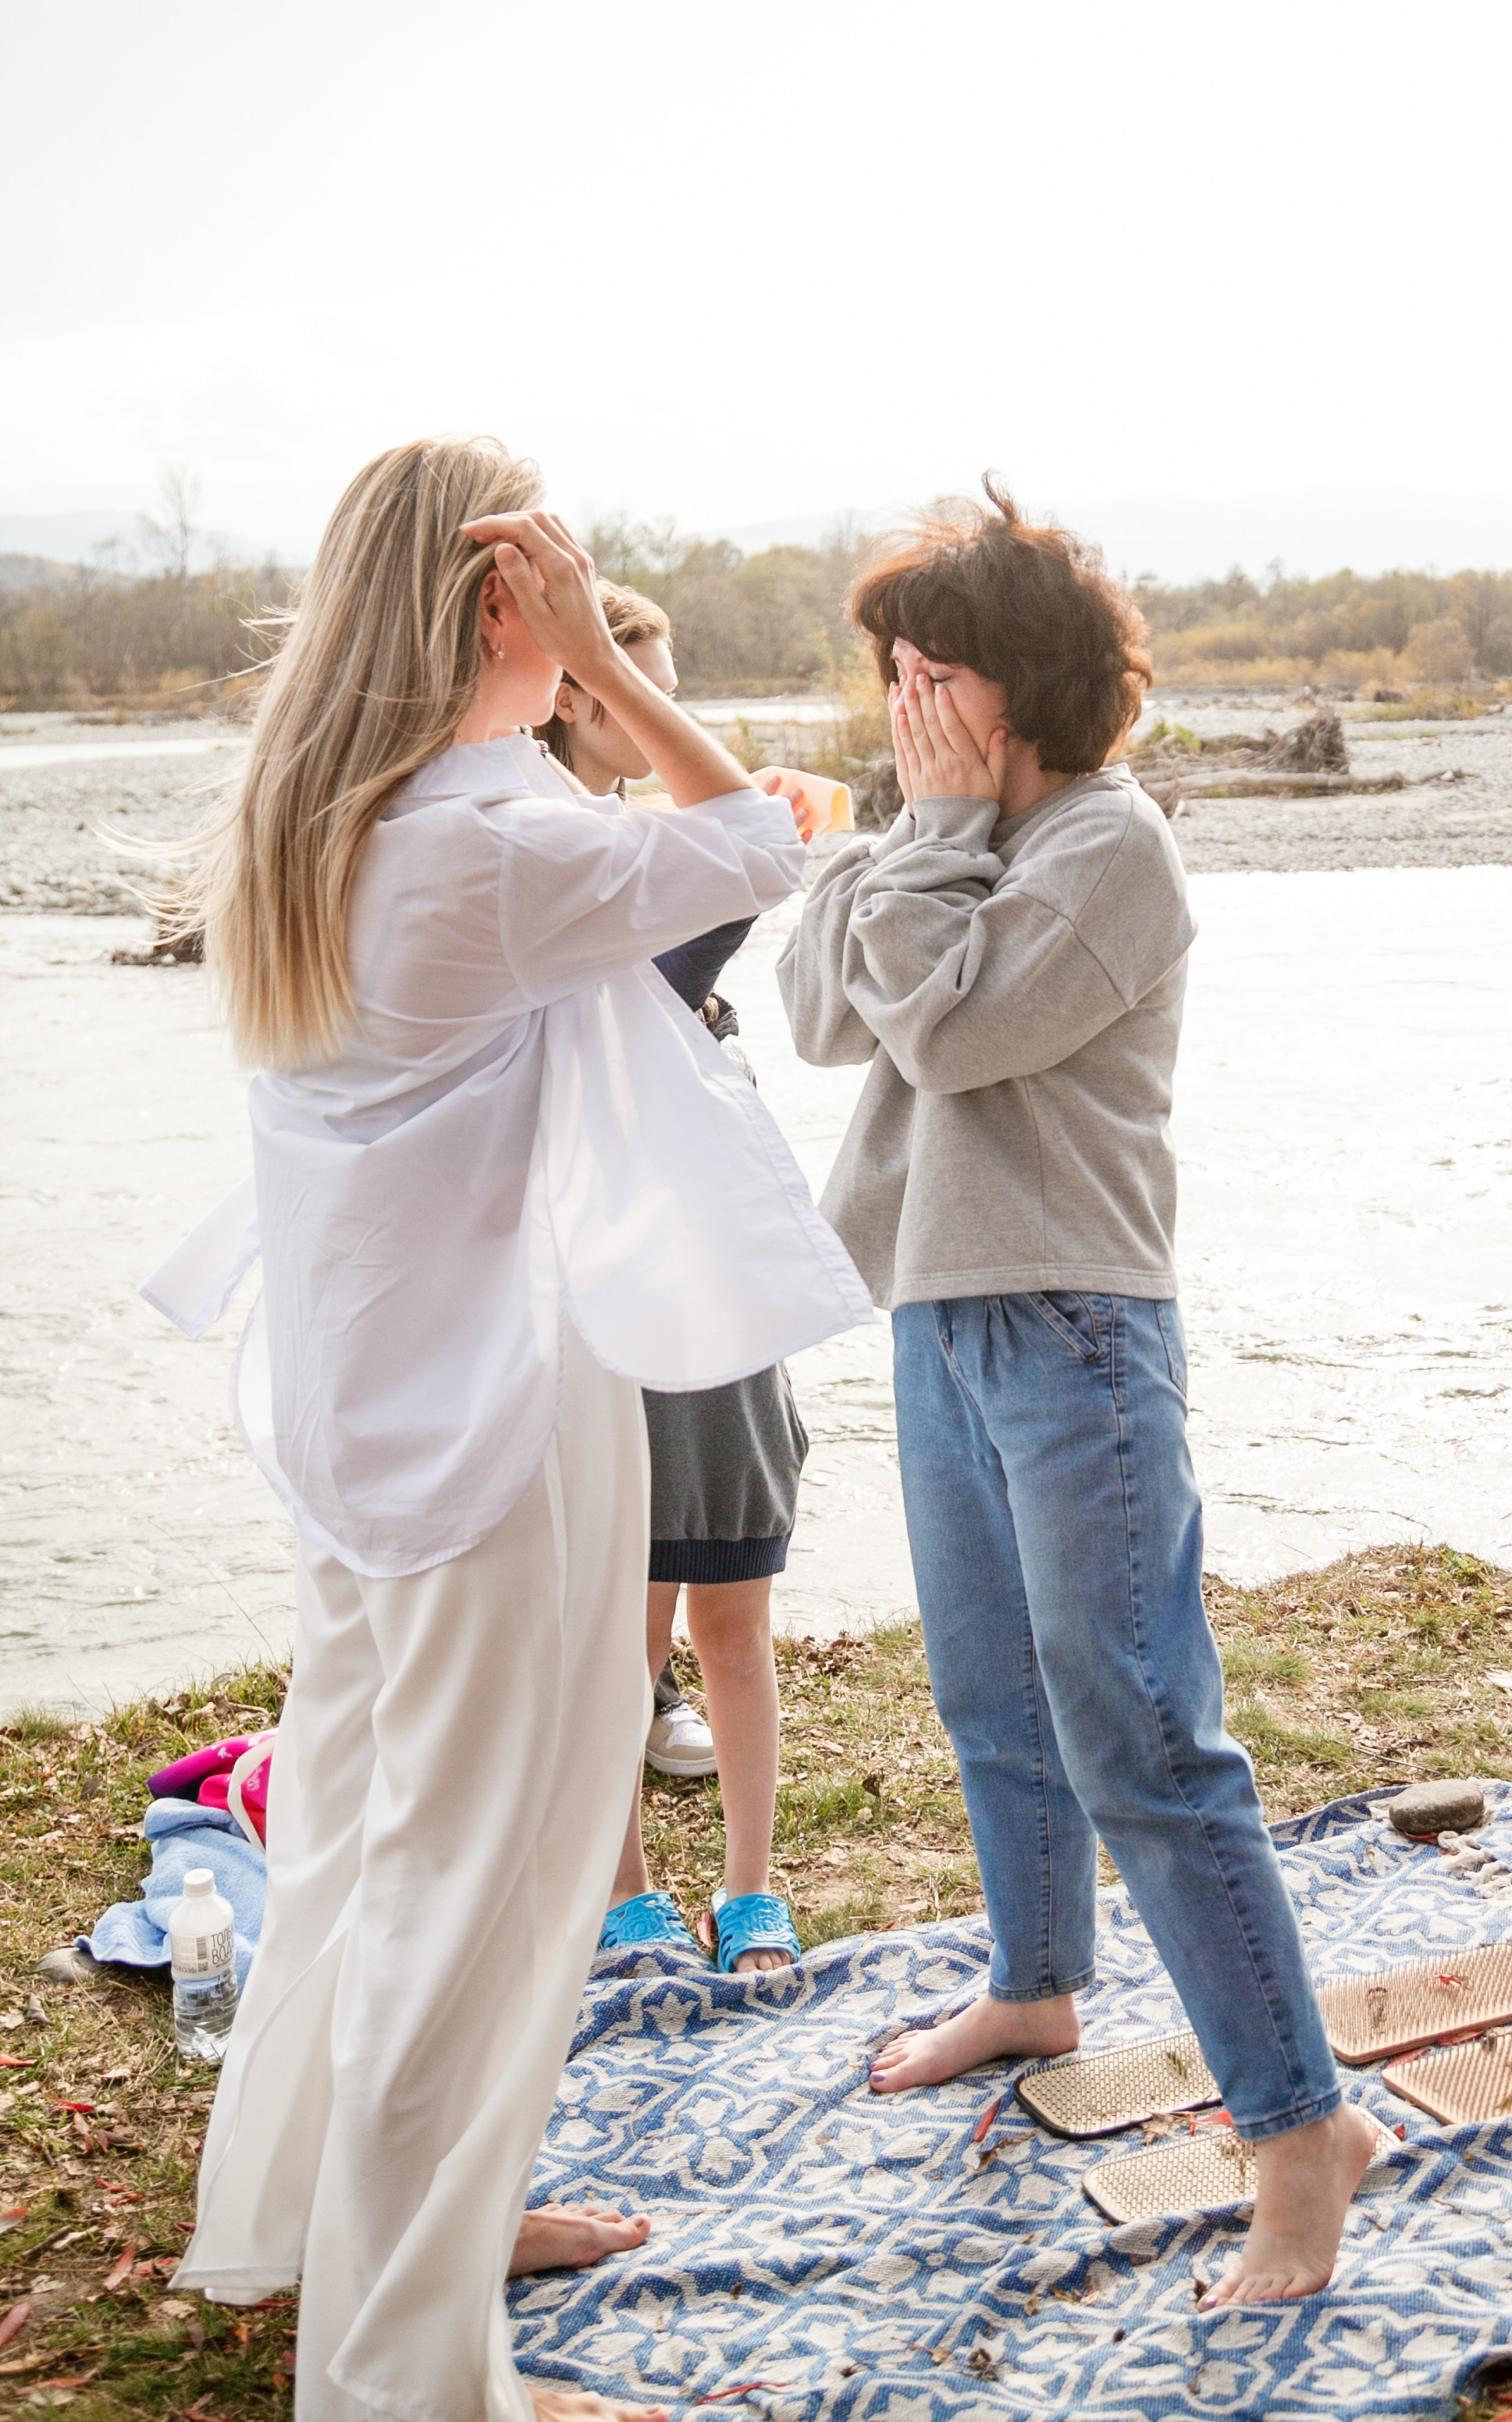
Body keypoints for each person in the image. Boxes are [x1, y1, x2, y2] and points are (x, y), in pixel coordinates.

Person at [145, 438, 870, 2422]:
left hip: (356, 1412)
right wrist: (611, 667)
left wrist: (562, 660)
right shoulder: (484, 835)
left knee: (372, 1839)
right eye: (552, 579)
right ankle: (409, 2375)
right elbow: (752, 838)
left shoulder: (321, 818)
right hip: (495, 1424)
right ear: (500, 602)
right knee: (483, 1880)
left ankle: (337, 2230)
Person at [777, 482, 1375, 2310]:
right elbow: (817, 1011)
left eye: (928, 673)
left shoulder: (1111, 849)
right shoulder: (935, 829)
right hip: (936, 1314)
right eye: (887, 674)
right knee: (987, 1691)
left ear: (1013, 688)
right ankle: (1036, 1984)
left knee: (1142, 1742)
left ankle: (1298, 2136)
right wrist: (902, 834)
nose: (900, 707)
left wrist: (931, 831)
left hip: (1076, 1335)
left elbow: (947, 1035)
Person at [539, 582, 806, 1975]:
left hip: (722, 1294)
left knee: (735, 1608)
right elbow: (652, 989)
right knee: (626, 1627)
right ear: (582, 695)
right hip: (620, 1304)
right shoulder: (554, 857)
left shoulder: (646, 845)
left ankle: (752, 1883)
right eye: (650, 687)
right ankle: (629, 1886)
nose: (672, 718)